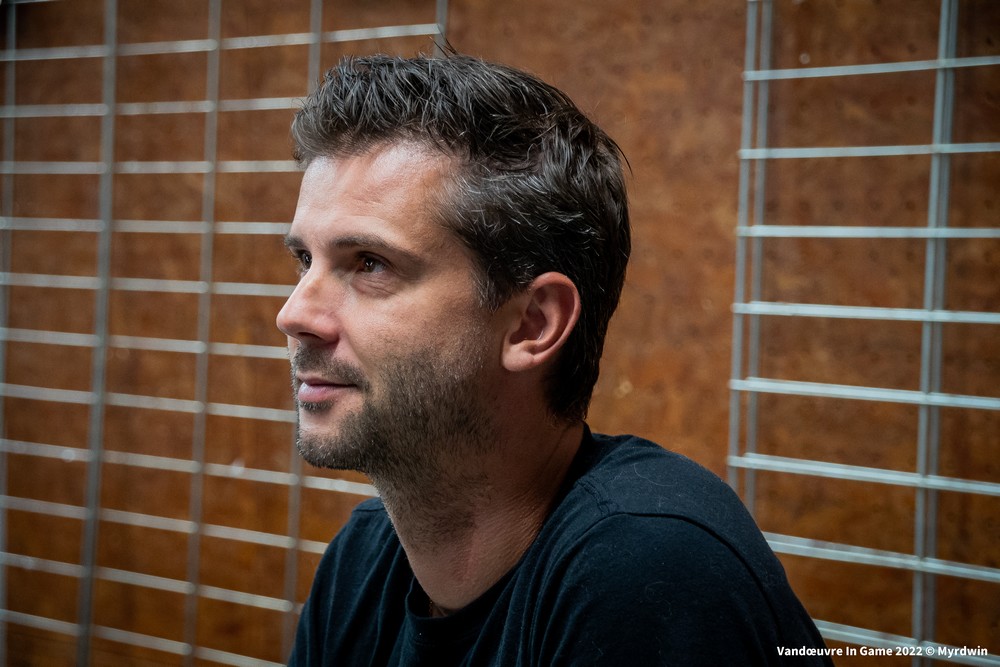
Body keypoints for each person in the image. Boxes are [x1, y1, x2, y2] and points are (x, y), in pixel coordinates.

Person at [278, 54, 832, 665]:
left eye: (369, 264)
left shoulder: (652, 570)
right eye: (305, 261)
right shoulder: (361, 562)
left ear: (532, 324)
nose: (294, 314)